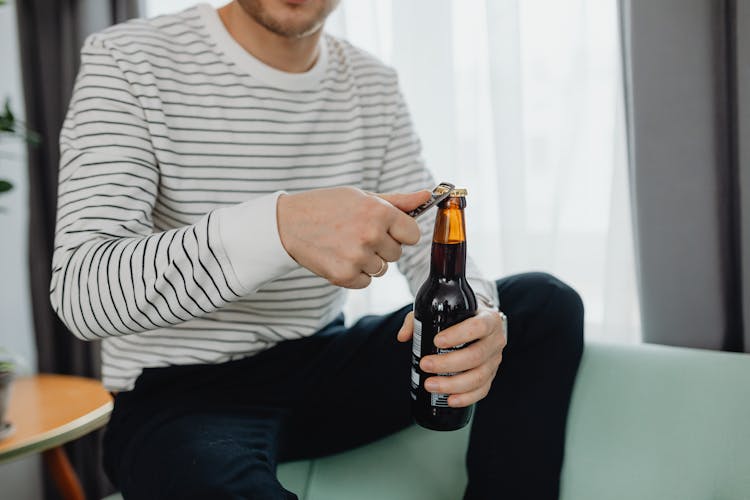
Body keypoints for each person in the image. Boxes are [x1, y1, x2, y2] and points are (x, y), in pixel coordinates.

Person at [50, 0, 584, 498]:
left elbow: (427, 252)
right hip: (180, 393)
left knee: (542, 303)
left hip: (321, 364)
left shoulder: (372, 83)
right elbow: (81, 292)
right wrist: (279, 228)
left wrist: (479, 322)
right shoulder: (127, 59)